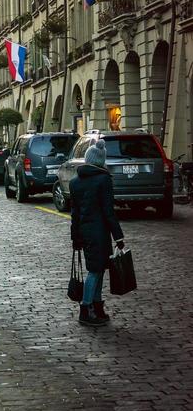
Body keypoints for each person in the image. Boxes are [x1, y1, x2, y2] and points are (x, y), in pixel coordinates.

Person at [70, 138, 125, 327]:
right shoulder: (103, 180)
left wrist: (75, 237)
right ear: (101, 160)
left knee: (98, 269)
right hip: (100, 232)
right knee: (95, 271)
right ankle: (86, 309)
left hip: (85, 232)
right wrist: (118, 236)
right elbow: (108, 212)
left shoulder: (75, 182)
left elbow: (75, 213)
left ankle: (96, 307)